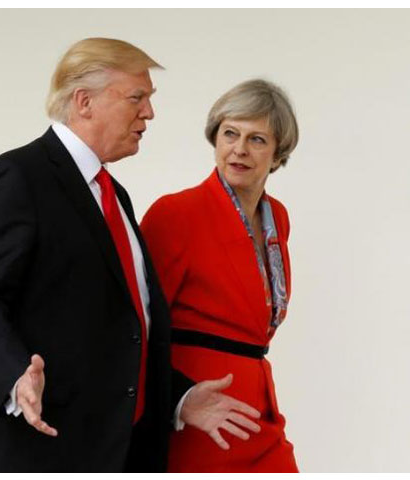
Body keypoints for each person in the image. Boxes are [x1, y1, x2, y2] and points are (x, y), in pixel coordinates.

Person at [0, 38, 261, 473]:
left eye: (149, 99)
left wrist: (180, 396)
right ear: (84, 102)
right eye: (137, 98)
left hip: (115, 449)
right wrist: (15, 375)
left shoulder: (116, 197)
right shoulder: (17, 177)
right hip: (37, 449)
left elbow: (122, 330)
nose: (149, 113)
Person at [140, 79, 300, 472]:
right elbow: (139, 325)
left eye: (257, 139)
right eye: (230, 133)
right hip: (202, 415)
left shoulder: (276, 217)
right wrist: (180, 400)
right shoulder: (175, 214)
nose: (240, 149)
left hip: (260, 411)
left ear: (278, 154)